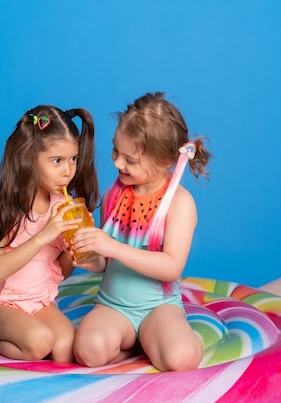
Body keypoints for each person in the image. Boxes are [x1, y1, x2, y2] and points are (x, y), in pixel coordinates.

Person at [71, 92, 211, 371]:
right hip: (112, 307)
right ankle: (136, 348)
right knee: (88, 351)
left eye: (130, 160)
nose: (116, 164)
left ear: (163, 161)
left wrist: (110, 246)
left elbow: (171, 267)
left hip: (158, 309)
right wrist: (88, 256)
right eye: (115, 151)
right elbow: (104, 263)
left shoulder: (179, 204)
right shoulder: (114, 195)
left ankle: (175, 339)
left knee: (180, 359)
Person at [0, 105, 99, 363]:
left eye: (73, 159)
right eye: (57, 161)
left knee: (66, 347)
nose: (68, 171)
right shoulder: (7, 205)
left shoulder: (61, 206)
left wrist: (70, 253)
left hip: (40, 303)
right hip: (1, 305)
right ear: (30, 158)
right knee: (39, 342)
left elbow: (58, 274)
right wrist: (44, 234)